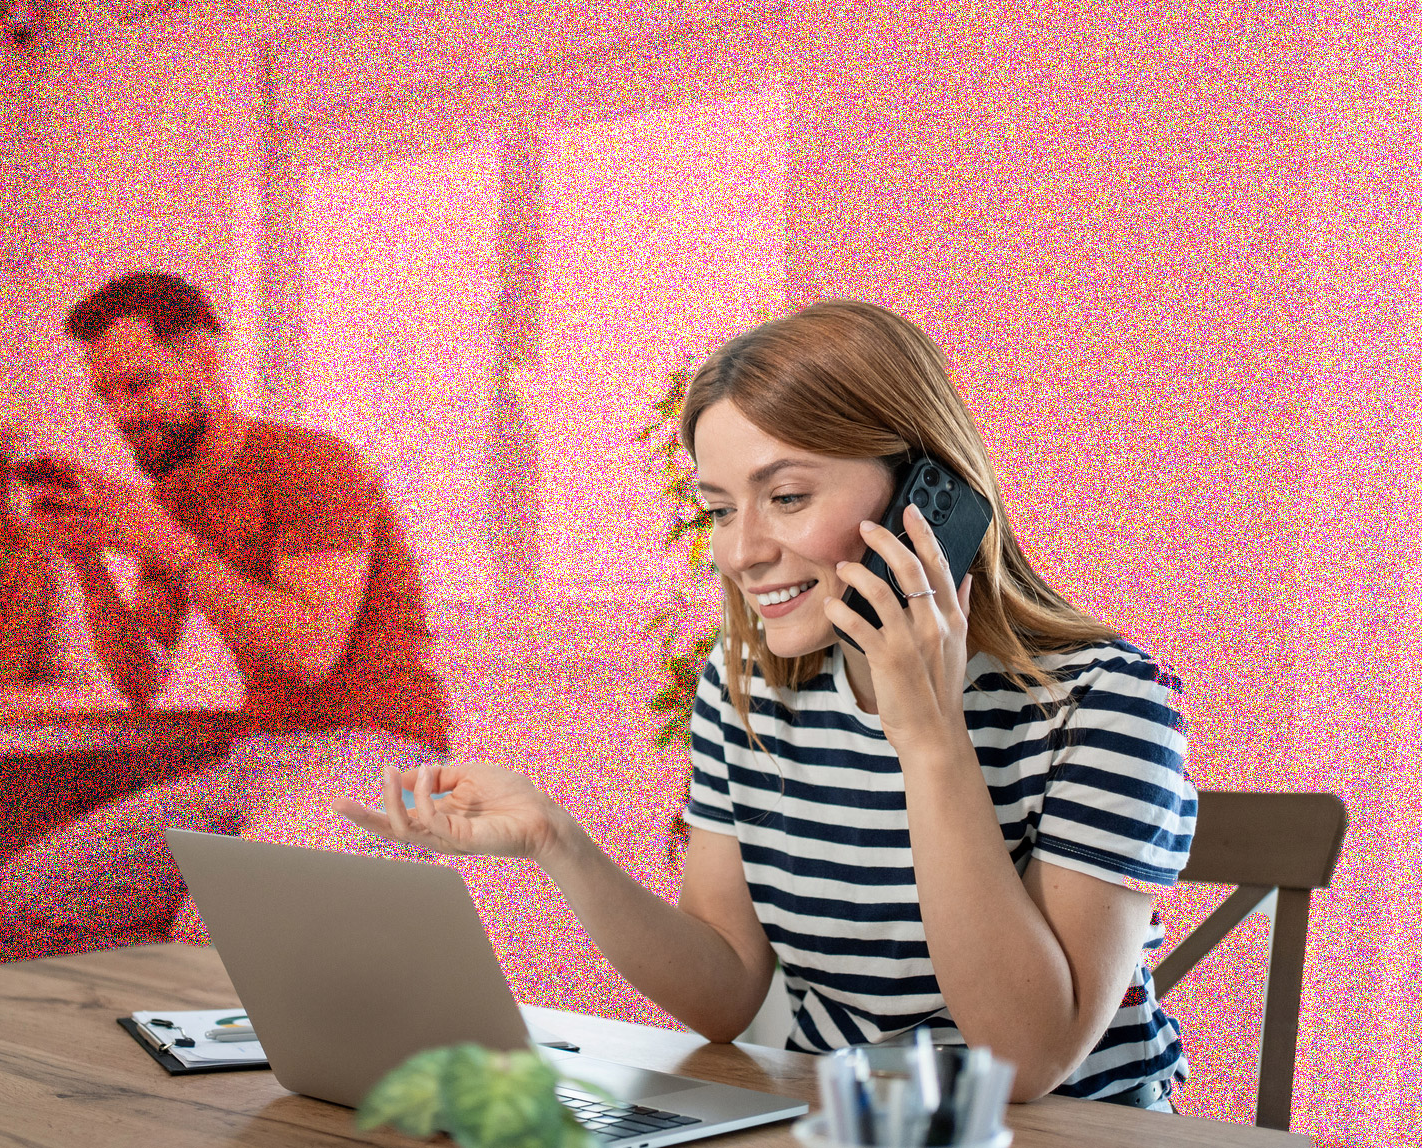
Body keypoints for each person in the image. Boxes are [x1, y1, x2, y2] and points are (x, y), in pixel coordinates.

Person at [338, 299, 1197, 1111]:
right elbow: (726, 987)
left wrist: (929, 737)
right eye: (718, 508)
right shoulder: (748, 683)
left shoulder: (1102, 700)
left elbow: (1024, 1061)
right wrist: (558, 844)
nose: (740, 552)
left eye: (786, 497)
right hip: (841, 1121)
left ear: (926, 498)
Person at [0, 271, 452, 960]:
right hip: (257, 761)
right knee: (26, 904)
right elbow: (142, 677)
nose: (122, 414)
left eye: (138, 386)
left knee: (227, 919)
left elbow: (308, 649)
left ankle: (279, 1024)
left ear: (204, 357)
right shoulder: (170, 497)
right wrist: (86, 562)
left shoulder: (310, 466)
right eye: (106, 395)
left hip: (385, 756)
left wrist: (164, 541)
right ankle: (175, 1044)